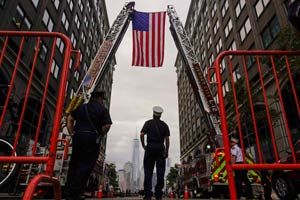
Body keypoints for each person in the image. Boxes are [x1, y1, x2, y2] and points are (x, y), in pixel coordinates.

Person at [65, 91, 112, 200]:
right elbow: (107, 125)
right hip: (91, 137)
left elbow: (70, 119)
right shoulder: (102, 110)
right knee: (86, 165)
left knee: (74, 164)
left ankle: (69, 191)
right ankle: (73, 193)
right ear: (99, 98)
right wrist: (101, 134)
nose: (102, 102)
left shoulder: (81, 107)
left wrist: (71, 132)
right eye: (102, 99)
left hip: (78, 136)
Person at [140, 106, 170, 200]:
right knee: (160, 171)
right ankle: (158, 194)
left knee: (148, 171)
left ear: (153, 114)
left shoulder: (148, 123)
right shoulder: (164, 125)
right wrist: (166, 151)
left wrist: (143, 145)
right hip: (160, 148)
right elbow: (167, 139)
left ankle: (148, 194)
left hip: (150, 148)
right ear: (160, 115)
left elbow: (141, 134)